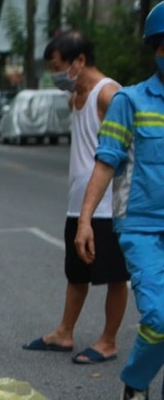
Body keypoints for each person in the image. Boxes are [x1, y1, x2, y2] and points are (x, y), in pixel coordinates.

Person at [76, 1, 164, 400]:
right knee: (160, 316)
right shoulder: (130, 101)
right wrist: (87, 219)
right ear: (157, 50)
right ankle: (135, 379)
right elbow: (106, 161)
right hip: (142, 226)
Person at [23, 30, 126, 365]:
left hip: (109, 206)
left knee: (114, 274)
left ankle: (108, 340)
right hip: (78, 204)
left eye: (58, 66)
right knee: (77, 272)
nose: (55, 75)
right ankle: (65, 332)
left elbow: (131, 147)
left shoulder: (109, 95)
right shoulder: (76, 98)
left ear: (79, 61)